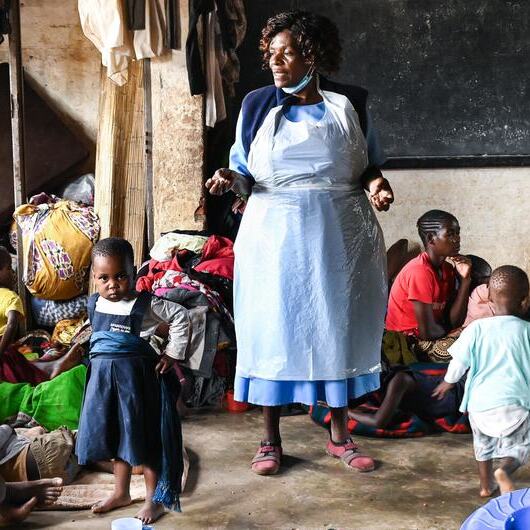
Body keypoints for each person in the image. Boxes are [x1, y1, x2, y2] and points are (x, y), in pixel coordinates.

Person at [206, 11, 392, 475]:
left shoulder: (351, 101)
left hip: (340, 234)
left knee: (336, 324)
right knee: (274, 327)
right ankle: (270, 441)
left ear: (311, 54)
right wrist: (231, 178)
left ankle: (340, 437)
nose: (275, 62)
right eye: (270, 54)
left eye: (285, 53)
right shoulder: (255, 105)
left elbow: (368, 162)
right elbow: (247, 173)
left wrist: (378, 185)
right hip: (274, 234)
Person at [75, 238, 189, 524]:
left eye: (121, 276)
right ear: (94, 277)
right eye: (104, 278)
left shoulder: (144, 305)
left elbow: (181, 317)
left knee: (145, 441)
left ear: (135, 272)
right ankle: (121, 492)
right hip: (104, 387)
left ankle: (154, 500)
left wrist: (172, 354)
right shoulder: (93, 304)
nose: (112, 284)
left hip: (137, 386)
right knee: (116, 437)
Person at [433, 265, 530, 497]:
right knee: (520, 448)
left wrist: (448, 382)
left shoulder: (476, 329)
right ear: (525, 300)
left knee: (483, 447)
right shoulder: (527, 331)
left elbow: (458, 362)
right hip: (515, 404)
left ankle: (486, 486)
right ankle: (505, 471)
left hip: (479, 405)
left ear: (488, 298)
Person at [385, 210, 472, 362]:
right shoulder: (420, 271)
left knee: (479, 338)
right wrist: (452, 332)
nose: (457, 239)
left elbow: (454, 321)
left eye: (458, 233)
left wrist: (465, 281)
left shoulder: (447, 269)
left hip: (431, 336)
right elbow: (427, 332)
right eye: (450, 234)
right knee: (472, 346)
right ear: (431, 239)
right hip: (405, 342)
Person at [0, 246, 82, 385]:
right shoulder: (9, 296)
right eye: (9, 268)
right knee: (23, 370)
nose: (13, 273)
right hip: (4, 350)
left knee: (23, 371)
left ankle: (53, 365)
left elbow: (13, 323)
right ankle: (54, 365)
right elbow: (12, 323)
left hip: (5, 351)